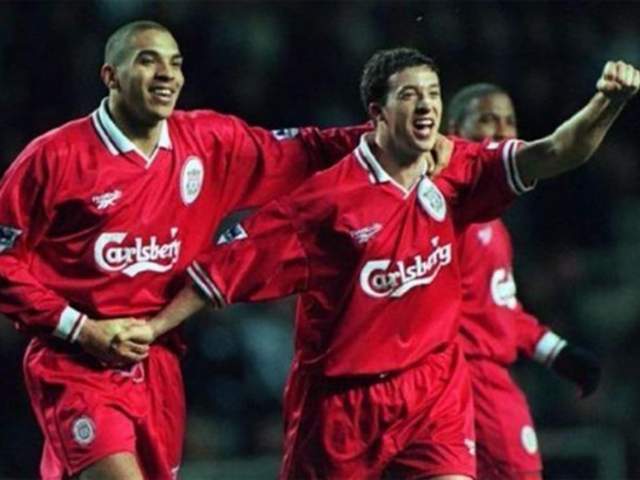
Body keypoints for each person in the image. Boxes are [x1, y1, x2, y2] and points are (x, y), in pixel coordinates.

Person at [139, 48, 639, 479]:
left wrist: (607, 103)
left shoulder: (457, 172)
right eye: (410, 95)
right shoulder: (325, 203)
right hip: (342, 406)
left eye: (433, 93)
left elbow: (555, 152)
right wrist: (152, 327)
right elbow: (220, 273)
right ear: (376, 113)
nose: (426, 105)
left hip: (433, 390)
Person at [0, 20, 367, 480]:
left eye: (174, 64)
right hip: (76, 363)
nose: (166, 75)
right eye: (147, 61)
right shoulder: (54, 158)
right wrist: (81, 329)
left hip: (159, 359)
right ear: (110, 76)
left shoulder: (208, 144)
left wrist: (391, 141)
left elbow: (306, 150)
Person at [447, 83, 602, 480]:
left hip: (481, 376)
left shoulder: (493, 224)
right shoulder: (448, 213)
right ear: (454, 131)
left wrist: (558, 352)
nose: (501, 131)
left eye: (509, 121)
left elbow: (500, 309)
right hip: (470, 379)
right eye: (487, 119)